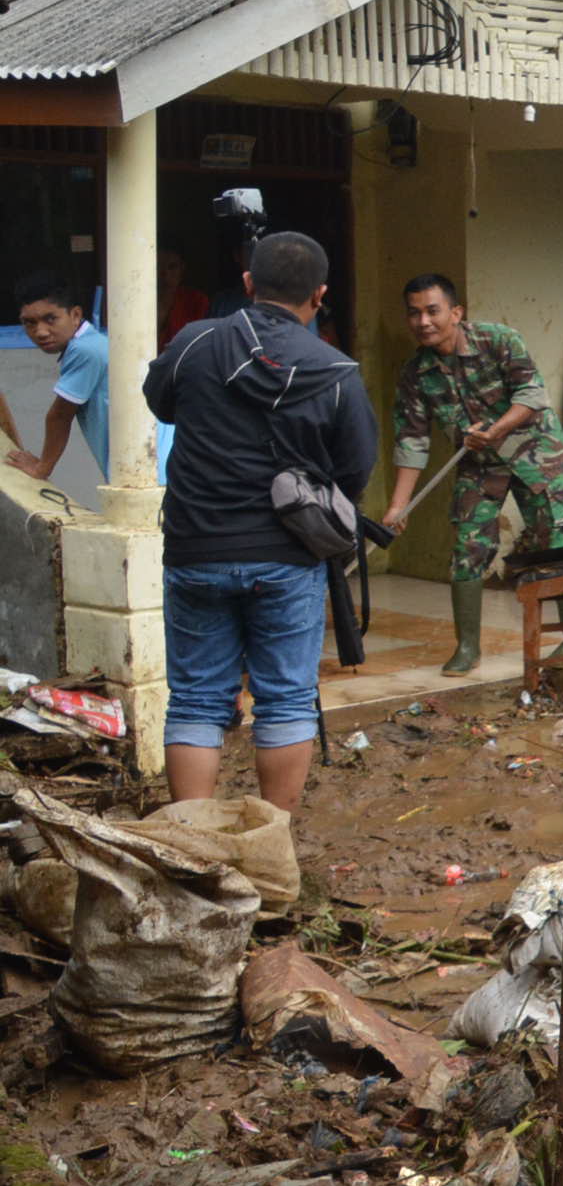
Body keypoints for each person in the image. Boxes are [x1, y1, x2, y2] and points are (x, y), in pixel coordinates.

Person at [142, 231, 376, 815]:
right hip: (288, 558)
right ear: (320, 294)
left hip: (195, 551)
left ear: (248, 282)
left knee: (195, 702)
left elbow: (160, 401)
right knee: (287, 700)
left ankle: (192, 846)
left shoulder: (194, 343)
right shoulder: (336, 370)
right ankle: (274, 851)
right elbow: (355, 469)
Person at [380, 274, 563, 676]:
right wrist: (398, 506)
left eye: (433, 311)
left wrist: (497, 430)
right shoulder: (416, 374)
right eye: (414, 313)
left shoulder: (500, 340)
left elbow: (531, 395)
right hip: (479, 464)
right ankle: (468, 647)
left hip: (536, 454)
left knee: (558, 539)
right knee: (467, 546)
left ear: (456, 313)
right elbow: (411, 439)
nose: (423, 322)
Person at [9, 273, 172, 492]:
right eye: (29, 323)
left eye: (50, 319)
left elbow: (60, 415)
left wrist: (41, 468)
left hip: (157, 471)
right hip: (162, 467)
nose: (40, 332)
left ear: (75, 315)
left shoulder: (85, 350)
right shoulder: (94, 344)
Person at [158, 251, 212, 342]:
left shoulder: (196, 300)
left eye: (172, 267)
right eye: (158, 267)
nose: (165, 274)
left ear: (182, 269)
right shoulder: (141, 300)